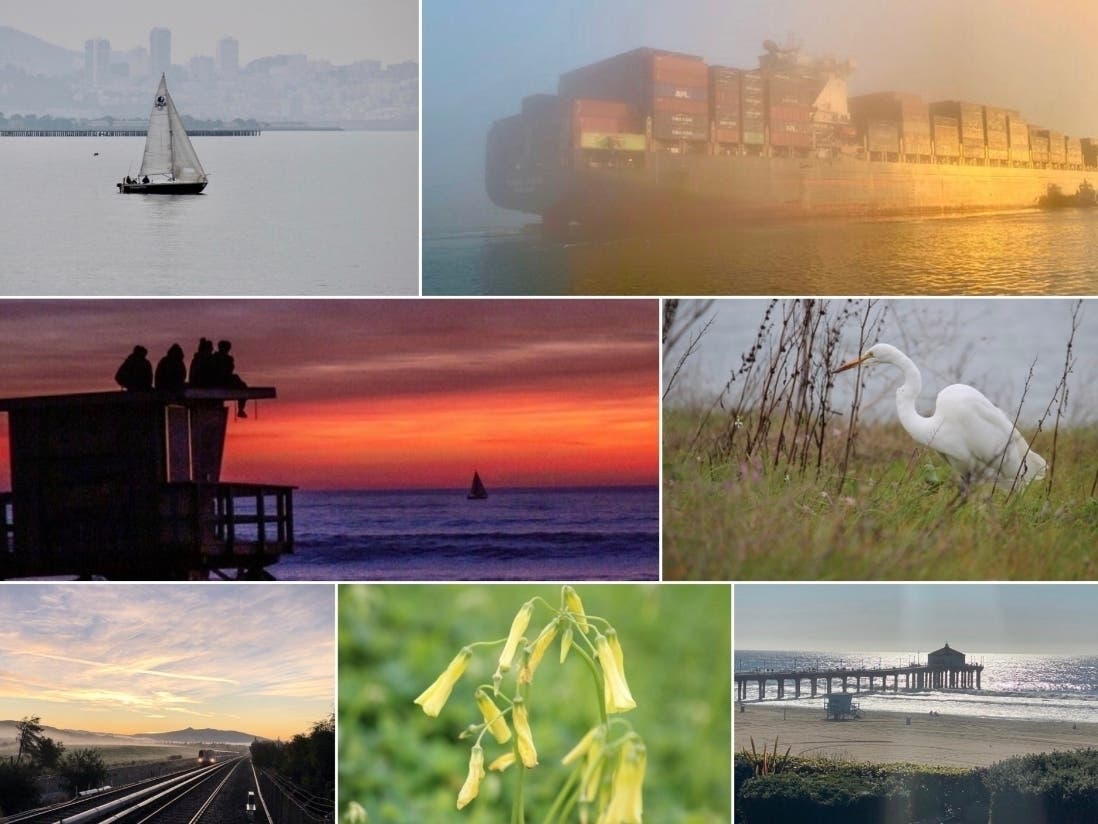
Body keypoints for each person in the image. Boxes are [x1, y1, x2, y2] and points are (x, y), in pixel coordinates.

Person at [211, 339, 249, 417]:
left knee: (241, 385)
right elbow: (227, 371)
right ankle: (241, 409)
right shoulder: (224, 358)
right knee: (243, 387)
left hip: (218, 381)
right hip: (221, 381)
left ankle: (241, 410)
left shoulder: (215, 357)